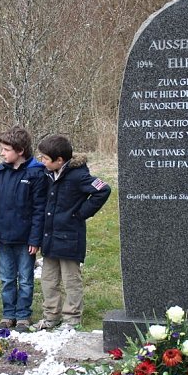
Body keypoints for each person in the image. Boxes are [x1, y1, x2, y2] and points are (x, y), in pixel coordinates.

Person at [34, 134, 111, 332]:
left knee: (71, 281)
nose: (41, 161)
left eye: (44, 158)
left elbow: (104, 189)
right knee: (49, 280)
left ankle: (71, 319)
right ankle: (51, 316)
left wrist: (80, 213)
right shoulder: (49, 174)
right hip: (50, 238)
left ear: (59, 160)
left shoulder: (79, 176)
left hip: (70, 239)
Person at [0, 126, 47, 333]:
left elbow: (39, 210)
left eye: (6, 149)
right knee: (7, 278)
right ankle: (8, 314)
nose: (2, 153)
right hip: (4, 237)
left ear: (20, 150)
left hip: (26, 239)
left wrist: (35, 240)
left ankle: (23, 315)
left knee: (26, 278)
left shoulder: (36, 173)